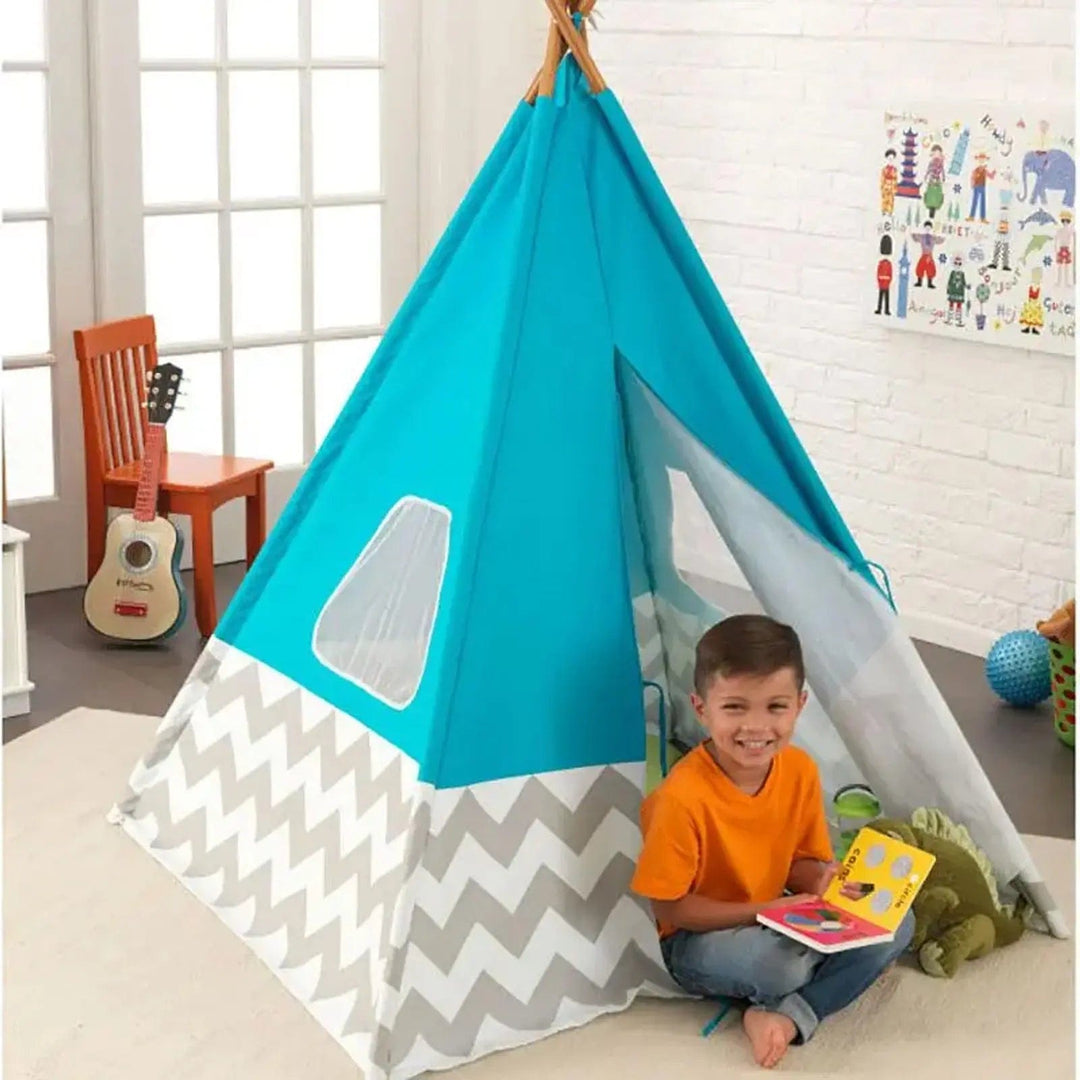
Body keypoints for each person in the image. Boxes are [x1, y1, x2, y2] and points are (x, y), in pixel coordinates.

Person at [631, 615, 914, 1070]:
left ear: (800, 705)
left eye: (775, 707)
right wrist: (764, 912)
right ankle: (816, 991)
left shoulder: (799, 770)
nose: (756, 727)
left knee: (898, 922)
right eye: (735, 708)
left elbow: (796, 864)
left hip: (780, 915)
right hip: (697, 939)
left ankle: (786, 1015)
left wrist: (821, 878)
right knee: (783, 968)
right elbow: (671, 909)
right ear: (701, 709)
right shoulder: (679, 801)